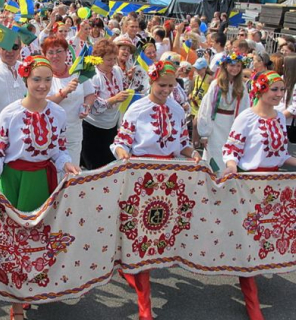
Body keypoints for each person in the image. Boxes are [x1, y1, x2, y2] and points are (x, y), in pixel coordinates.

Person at [0, 55, 79, 320]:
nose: (42, 85)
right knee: (12, 241)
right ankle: (16, 302)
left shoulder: (57, 113)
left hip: (42, 181)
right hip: (13, 180)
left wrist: (66, 164)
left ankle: (31, 286)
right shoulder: (10, 112)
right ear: (25, 79)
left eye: (47, 80)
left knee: (38, 238)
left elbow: (58, 150)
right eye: (36, 79)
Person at [111, 60, 201, 320]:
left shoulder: (176, 109)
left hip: (169, 180)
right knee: (143, 239)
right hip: (142, 177)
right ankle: (145, 308)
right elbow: (122, 142)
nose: (167, 90)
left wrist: (193, 153)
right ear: (151, 81)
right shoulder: (137, 109)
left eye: (171, 85)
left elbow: (182, 142)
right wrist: (124, 158)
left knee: (159, 238)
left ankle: (131, 272)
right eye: (162, 85)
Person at [222, 71, 296, 320]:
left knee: (268, 234)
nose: (278, 95)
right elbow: (231, 147)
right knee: (249, 239)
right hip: (250, 185)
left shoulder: (278, 119)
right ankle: (251, 298)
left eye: (281, 91)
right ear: (261, 90)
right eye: (274, 90)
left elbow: (282, 154)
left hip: (273, 186)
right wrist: (231, 165)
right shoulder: (246, 118)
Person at [44, 37, 96, 166]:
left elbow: (90, 94)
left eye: (59, 51)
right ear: (45, 55)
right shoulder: (43, 76)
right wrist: (64, 92)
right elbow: (41, 102)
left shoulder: (77, 73)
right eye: (50, 52)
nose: (55, 56)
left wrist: (87, 106)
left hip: (73, 133)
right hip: (50, 135)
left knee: (71, 172)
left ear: (67, 52)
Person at [197, 52, 250, 172]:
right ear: (225, 66)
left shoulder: (241, 86)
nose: (235, 69)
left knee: (230, 154)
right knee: (215, 154)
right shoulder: (217, 84)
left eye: (238, 66)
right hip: (215, 124)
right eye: (232, 65)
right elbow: (207, 108)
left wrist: (243, 129)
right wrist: (204, 133)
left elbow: (245, 108)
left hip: (232, 124)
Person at [81, 39, 129, 170]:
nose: (112, 63)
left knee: (109, 166)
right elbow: (94, 107)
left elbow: (123, 86)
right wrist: (114, 99)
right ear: (98, 59)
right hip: (93, 128)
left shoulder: (117, 70)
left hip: (111, 126)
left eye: (114, 59)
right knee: (95, 168)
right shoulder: (94, 76)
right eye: (109, 60)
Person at [189, 57, 213, 148]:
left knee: (196, 124)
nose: (197, 71)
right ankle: (195, 143)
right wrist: (191, 94)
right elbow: (194, 88)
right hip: (195, 103)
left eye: (199, 69)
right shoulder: (196, 77)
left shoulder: (210, 79)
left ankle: (195, 144)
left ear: (205, 68)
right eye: (196, 68)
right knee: (194, 124)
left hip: (203, 105)